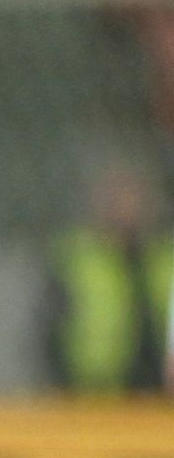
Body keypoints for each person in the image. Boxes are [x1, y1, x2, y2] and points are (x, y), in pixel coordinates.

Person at [48, 162, 173, 395]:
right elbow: (51, 329)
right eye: (116, 198)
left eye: (132, 197)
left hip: (160, 390)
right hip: (95, 392)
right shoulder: (77, 259)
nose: (126, 208)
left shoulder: (164, 257)